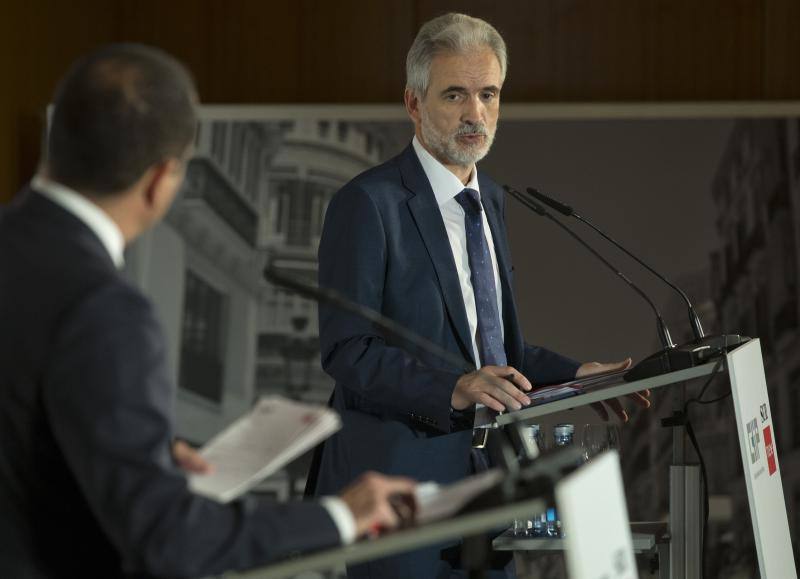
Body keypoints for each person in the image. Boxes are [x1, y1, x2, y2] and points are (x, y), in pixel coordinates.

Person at [0, 44, 416, 579]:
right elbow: (168, 542)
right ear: (162, 180)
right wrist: (341, 514)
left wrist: (131, 453)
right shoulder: (105, 309)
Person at [309, 13, 650, 579]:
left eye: (489, 94)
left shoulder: (489, 200)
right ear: (414, 104)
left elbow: (492, 349)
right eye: (455, 95)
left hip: (489, 486)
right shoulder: (368, 204)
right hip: (398, 494)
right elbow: (348, 350)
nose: (476, 114)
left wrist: (576, 375)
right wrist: (454, 388)